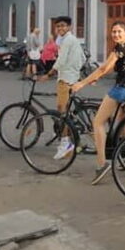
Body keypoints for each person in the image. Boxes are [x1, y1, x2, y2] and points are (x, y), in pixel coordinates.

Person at [72, 20, 125, 185]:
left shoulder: (119, 48)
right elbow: (110, 68)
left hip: (123, 89)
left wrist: (82, 83)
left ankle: (102, 164)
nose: (116, 34)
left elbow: (104, 68)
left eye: (119, 31)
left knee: (97, 122)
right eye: (114, 32)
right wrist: (95, 77)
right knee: (120, 120)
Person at [39, 16, 85, 160]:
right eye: (58, 26)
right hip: (72, 77)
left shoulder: (67, 40)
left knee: (61, 111)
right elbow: (83, 58)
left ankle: (65, 144)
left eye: (63, 26)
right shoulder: (71, 40)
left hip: (65, 79)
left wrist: (49, 74)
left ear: (69, 27)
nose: (60, 28)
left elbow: (61, 60)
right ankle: (72, 140)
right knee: (67, 111)